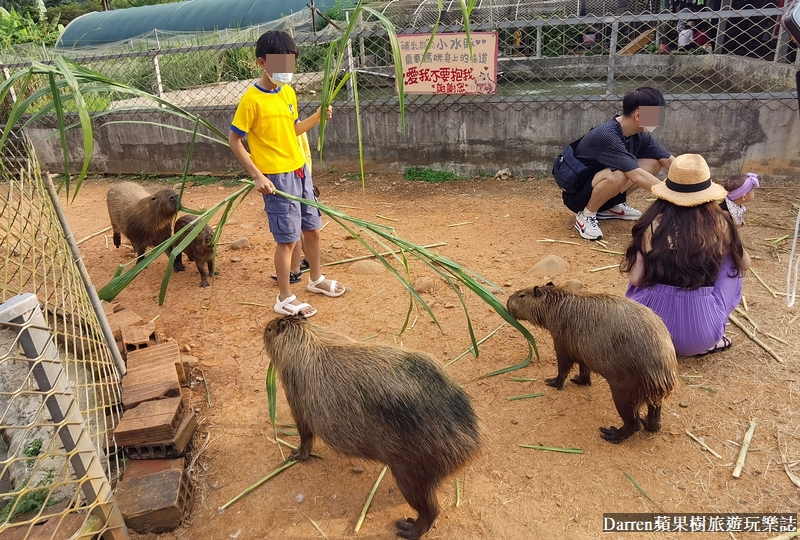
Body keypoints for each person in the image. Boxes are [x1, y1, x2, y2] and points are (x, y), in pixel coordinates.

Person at [229, 30, 346, 319]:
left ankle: (316, 279)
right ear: (262, 63)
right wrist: (258, 175)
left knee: (313, 230)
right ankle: (284, 297)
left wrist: (317, 118)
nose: (286, 70)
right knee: (287, 239)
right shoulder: (251, 100)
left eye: (290, 63)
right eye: (280, 64)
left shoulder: (288, 92)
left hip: (299, 170)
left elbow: (292, 129)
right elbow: (235, 141)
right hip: (277, 178)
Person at [621, 154, 751, 357]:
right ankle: (710, 336)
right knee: (733, 261)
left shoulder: (652, 224)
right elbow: (746, 264)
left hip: (645, 334)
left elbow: (636, 279)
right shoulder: (721, 223)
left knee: (646, 266)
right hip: (698, 339)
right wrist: (728, 243)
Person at [563, 87, 675, 240]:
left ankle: (612, 206)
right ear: (639, 115)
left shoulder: (639, 134)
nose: (659, 121)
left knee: (653, 163)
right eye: (657, 115)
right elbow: (635, 175)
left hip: (601, 184)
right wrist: (673, 197)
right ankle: (586, 215)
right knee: (621, 174)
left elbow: (668, 160)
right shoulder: (608, 135)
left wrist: (694, 183)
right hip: (578, 195)